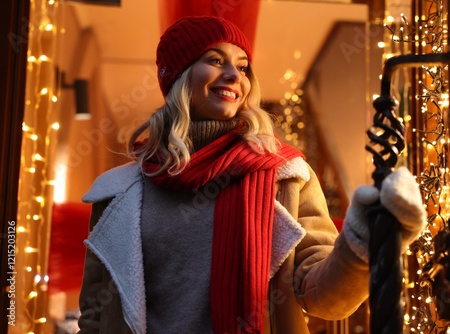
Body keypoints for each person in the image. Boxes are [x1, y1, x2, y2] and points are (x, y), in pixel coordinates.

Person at [77, 16, 426, 334]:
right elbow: (95, 314)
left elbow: (322, 297)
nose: (234, 75)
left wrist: (364, 243)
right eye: (215, 60)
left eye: (243, 67)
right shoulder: (119, 191)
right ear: (178, 77)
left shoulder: (286, 175)